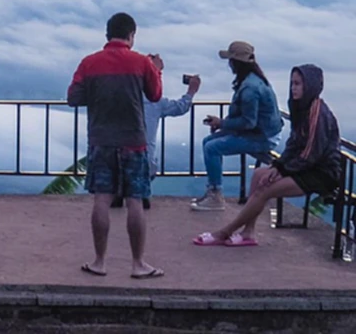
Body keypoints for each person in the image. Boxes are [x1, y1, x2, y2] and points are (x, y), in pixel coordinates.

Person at [194, 65, 342, 246]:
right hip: (304, 166)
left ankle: (224, 233)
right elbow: (294, 144)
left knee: (266, 189)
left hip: (321, 173)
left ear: (310, 85)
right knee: (258, 175)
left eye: (298, 84)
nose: (293, 88)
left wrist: (282, 170)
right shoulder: (301, 107)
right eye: (292, 83)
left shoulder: (317, 113)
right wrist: (278, 166)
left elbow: (310, 153)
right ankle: (248, 232)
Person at [67, 12, 163, 278]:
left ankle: (99, 261)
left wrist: (99, 94)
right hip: (134, 141)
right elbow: (155, 95)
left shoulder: (89, 63)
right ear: (131, 35)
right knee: (135, 200)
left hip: (101, 140)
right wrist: (155, 69)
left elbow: (73, 97)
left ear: (107, 34)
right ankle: (138, 264)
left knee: (102, 199)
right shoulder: (141, 63)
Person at [190, 41, 283, 212]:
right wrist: (223, 125)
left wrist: (222, 123)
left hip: (262, 137)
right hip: (262, 131)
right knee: (208, 141)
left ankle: (216, 196)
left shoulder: (250, 88)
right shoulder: (252, 81)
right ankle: (213, 190)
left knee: (212, 147)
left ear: (236, 62)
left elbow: (249, 122)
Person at [111, 55, 200, 210]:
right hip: (144, 152)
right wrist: (191, 91)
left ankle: (119, 192)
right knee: (148, 160)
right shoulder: (156, 102)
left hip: (119, 147)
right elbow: (180, 107)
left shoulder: (124, 95)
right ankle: (142, 193)